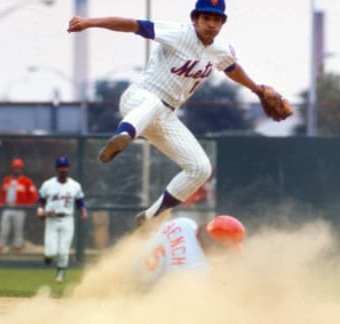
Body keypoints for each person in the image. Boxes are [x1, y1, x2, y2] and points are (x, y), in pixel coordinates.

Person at [67, 0, 288, 226]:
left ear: (222, 23)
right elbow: (133, 25)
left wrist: (258, 90)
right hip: (139, 99)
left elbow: (231, 67)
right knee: (154, 103)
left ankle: (150, 216)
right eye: (206, 18)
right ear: (195, 19)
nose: (211, 24)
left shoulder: (221, 50)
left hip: (165, 116)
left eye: (216, 19)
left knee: (200, 168)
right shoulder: (179, 34)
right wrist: (89, 22)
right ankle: (124, 135)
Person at [133, 215, 245, 287]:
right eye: (226, 249)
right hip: (136, 291)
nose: (225, 253)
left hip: (130, 266)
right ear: (217, 245)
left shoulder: (184, 223)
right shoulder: (196, 268)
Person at [37, 156, 88, 284]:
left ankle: (60, 274)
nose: (63, 169)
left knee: (64, 250)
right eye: (60, 167)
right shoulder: (48, 184)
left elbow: (80, 202)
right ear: (56, 169)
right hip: (51, 219)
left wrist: (83, 213)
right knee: (51, 251)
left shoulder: (75, 185)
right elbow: (41, 203)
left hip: (67, 219)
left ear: (68, 168)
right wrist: (41, 212)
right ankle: (48, 257)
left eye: (65, 167)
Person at [0, 159, 38, 254]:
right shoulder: (7, 180)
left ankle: (17, 247)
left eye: (18, 168)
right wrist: (1, 203)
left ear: (21, 169)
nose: (17, 170)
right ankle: (1, 246)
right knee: (4, 228)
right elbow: (2, 194)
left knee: (18, 229)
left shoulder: (26, 181)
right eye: (15, 168)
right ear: (12, 168)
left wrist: (26, 205)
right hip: (8, 207)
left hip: (19, 208)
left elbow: (34, 195)